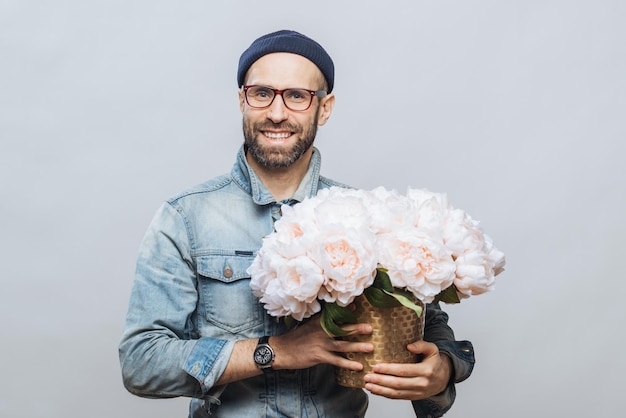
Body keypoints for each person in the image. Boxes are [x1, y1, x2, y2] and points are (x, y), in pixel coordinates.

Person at [119, 29, 475, 418]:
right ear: (242, 100)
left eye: (296, 96)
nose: (276, 112)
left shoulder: (369, 214)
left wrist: (442, 368)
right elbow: (141, 363)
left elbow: (426, 319)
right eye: (262, 93)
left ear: (325, 108)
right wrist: (276, 352)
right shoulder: (185, 217)